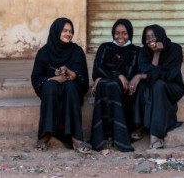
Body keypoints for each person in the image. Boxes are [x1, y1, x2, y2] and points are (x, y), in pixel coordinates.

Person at [30, 17, 91, 153]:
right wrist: (53, 79)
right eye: (64, 30)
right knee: (51, 86)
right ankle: (45, 135)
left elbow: (83, 78)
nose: (68, 34)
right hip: (51, 88)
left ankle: (76, 138)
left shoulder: (77, 51)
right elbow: (36, 78)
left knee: (70, 87)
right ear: (56, 31)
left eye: (70, 31)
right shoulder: (44, 52)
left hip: (72, 88)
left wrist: (69, 73)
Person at [129, 24, 184, 149]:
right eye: (147, 37)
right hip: (153, 84)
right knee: (144, 86)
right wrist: (156, 54)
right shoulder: (144, 51)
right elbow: (145, 70)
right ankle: (139, 126)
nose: (150, 40)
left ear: (160, 35)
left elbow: (169, 74)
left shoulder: (175, 49)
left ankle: (156, 134)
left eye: (153, 36)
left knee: (158, 85)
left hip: (172, 86)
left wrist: (141, 76)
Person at [89, 18, 140, 152]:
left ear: (130, 34)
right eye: (117, 33)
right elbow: (97, 69)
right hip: (109, 86)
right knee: (107, 84)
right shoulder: (105, 47)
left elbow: (129, 75)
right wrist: (117, 75)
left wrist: (102, 77)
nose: (120, 37)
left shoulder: (135, 51)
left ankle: (115, 136)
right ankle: (104, 136)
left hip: (123, 92)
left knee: (109, 84)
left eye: (124, 33)